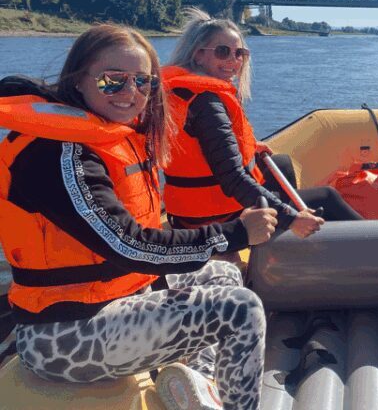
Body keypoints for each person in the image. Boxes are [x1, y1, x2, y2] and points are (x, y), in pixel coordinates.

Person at [0, 25, 277, 410]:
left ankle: (196, 384)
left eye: (143, 82)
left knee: (225, 274)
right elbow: (126, 244)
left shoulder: (107, 135)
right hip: (61, 334)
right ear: (79, 79)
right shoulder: (56, 153)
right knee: (240, 309)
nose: (131, 93)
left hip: (111, 297)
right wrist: (232, 235)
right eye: (113, 81)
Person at [161, 9, 361, 234]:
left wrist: (251, 149)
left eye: (239, 53)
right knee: (328, 196)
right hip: (214, 216)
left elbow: (206, 147)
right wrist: (291, 216)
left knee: (281, 163)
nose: (233, 61)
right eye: (223, 52)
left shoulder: (182, 92)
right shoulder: (205, 104)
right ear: (198, 55)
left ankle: (287, 244)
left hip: (189, 209)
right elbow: (233, 178)